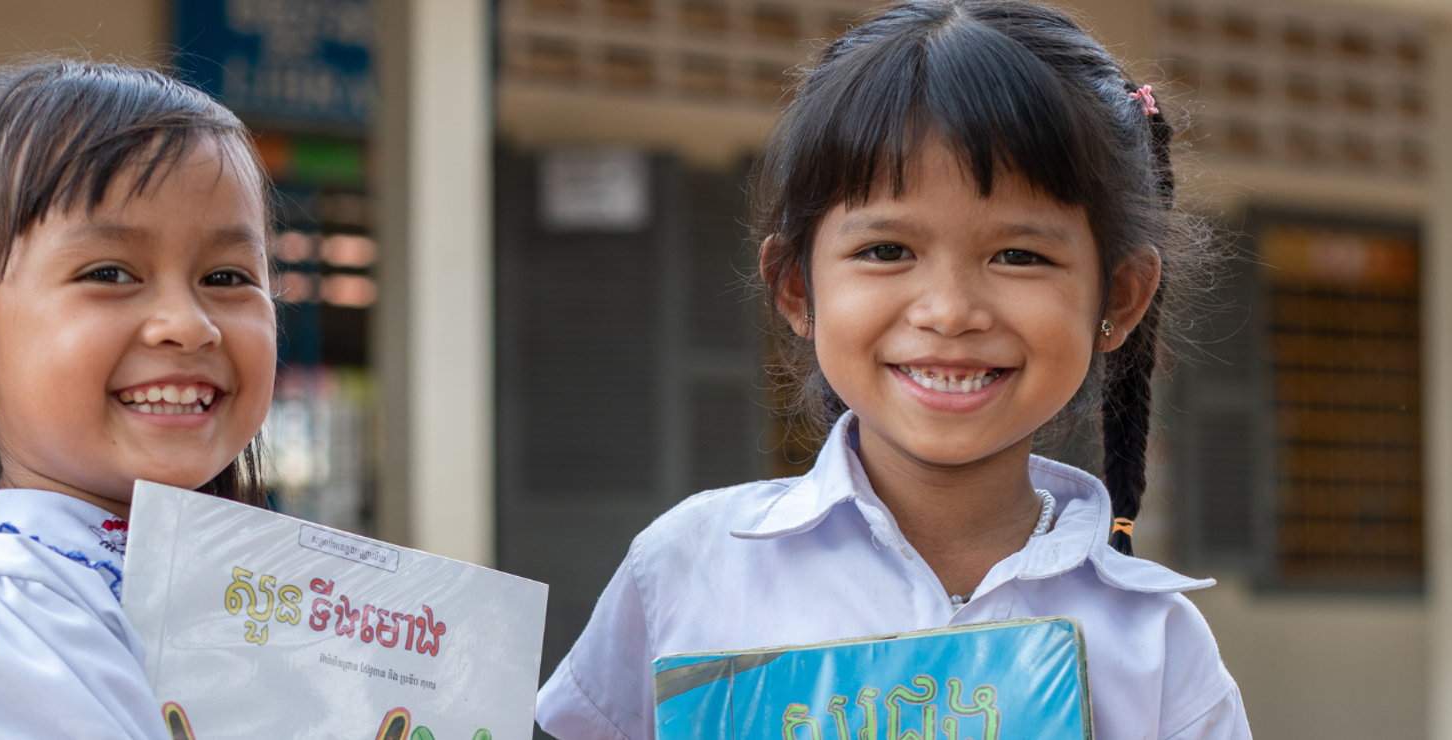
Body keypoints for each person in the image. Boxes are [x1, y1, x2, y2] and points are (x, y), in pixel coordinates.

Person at [534, 1, 1249, 738]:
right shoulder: (689, 566)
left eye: (1019, 255)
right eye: (885, 251)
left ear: (1120, 297)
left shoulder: (1156, 645)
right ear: (794, 286)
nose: (948, 311)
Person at [0, 60, 277, 739]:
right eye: (108, 273)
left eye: (226, 276)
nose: (190, 324)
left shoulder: (251, 595)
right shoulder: (0, 598)